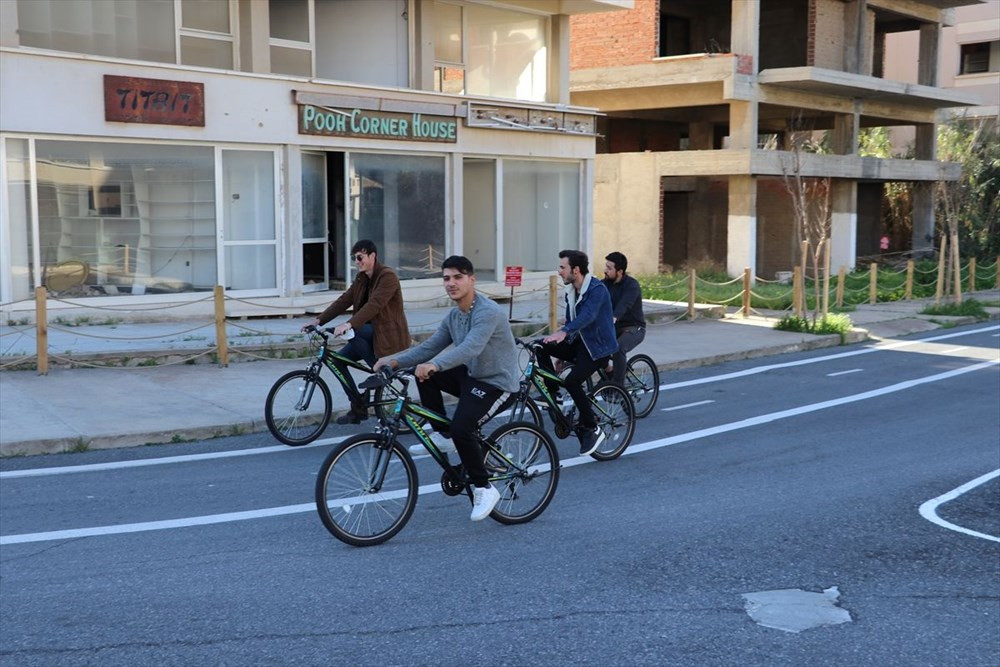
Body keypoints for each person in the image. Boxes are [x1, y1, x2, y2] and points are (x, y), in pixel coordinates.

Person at [373, 256, 519, 521]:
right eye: (446, 278)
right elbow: (429, 347)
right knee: (424, 376)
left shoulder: (488, 312)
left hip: (499, 383)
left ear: (472, 280)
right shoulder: (455, 315)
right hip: (474, 376)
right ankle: (443, 434)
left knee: (463, 427)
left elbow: (471, 347)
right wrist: (393, 361)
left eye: (457, 277)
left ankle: (484, 488)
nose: (451, 283)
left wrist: (436, 365)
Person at [305, 240, 411, 424]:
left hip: (386, 334)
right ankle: (358, 406)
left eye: (360, 257)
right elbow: (343, 301)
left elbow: (375, 305)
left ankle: (378, 368)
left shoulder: (387, 276)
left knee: (356, 331)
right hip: (367, 332)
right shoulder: (361, 279)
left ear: (372, 256)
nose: (357, 261)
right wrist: (319, 320)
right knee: (337, 362)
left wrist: (349, 324)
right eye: (355, 258)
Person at [537, 249, 618, 456]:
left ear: (576, 269)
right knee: (540, 345)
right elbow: (571, 322)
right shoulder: (571, 290)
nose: (559, 271)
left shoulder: (597, 289)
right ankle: (554, 395)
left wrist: (564, 332)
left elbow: (588, 316)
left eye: (562, 267)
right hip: (580, 343)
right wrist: (559, 352)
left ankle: (592, 426)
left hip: (598, 349)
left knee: (572, 381)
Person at [602, 251, 646, 386]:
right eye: (606, 266)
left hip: (634, 328)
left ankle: (619, 388)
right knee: (593, 344)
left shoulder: (631, 285)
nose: (605, 270)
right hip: (614, 327)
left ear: (620, 271)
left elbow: (624, 304)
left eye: (609, 268)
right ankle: (609, 371)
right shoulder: (604, 284)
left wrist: (614, 317)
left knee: (618, 347)